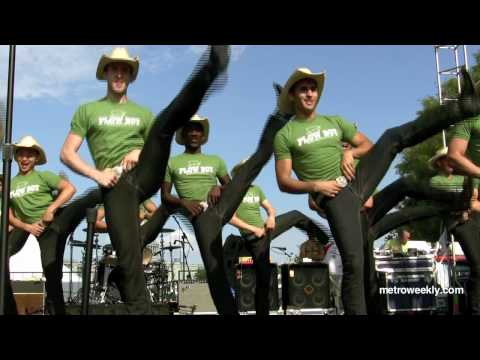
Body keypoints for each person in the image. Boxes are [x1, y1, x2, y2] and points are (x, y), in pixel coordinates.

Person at [273, 66, 480, 314]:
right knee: (355, 264)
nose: (309, 93)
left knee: (391, 138)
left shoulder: (335, 121)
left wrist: (349, 151)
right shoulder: (285, 135)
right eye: (303, 89)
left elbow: (368, 145)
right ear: (293, 95)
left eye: (312, 88)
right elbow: (283, 181)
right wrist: (315, 185)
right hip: (334, 193)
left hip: (357, 181)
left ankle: (462, 108)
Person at [60, 45, 231, 314]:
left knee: (163, 125)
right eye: (114, 68)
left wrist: (139, 151)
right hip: (114, 184)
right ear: (106, 73)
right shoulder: (87, 110)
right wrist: (97, 174)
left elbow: (153, 146)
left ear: (130, 76)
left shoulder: (142, 113)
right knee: (129, 261)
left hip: (143, 175)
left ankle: (210, 69)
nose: (119, 73)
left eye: (124, 69)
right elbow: (67, 153)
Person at [223, 159, 330, 314]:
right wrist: (253, 228)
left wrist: (271, 217)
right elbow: (231, 218)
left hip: (265, 230)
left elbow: (270, 208)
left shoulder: (256, 190)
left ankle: (320, 241)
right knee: (260, 278)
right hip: (252, 236)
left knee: (296, 215)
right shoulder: (232, 193)